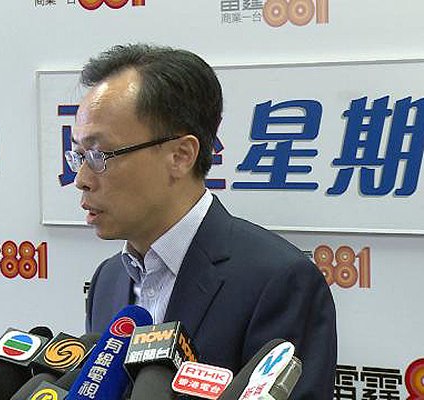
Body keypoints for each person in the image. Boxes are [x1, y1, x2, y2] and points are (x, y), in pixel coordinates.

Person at [66, 43, 336, 399]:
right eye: (79, 155)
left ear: (180, 156)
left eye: (99, 155)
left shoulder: (279, 282)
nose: (81, 179)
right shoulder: (108, 279)